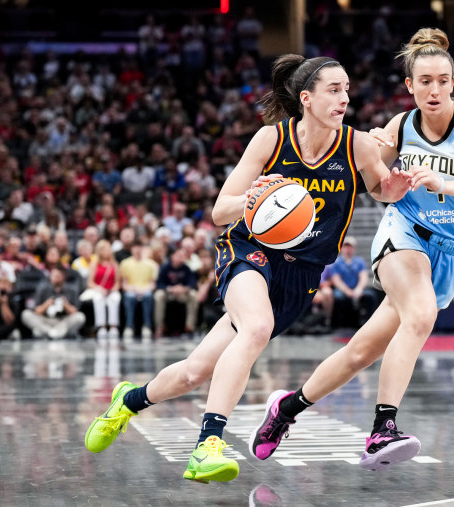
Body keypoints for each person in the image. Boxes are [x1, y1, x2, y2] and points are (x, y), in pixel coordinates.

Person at [84, 54, 412, 483]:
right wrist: (258, 198)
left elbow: (380, 188)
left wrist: (394, 188)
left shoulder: (358, 146)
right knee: (256, 327)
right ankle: (208, 445)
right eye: (334, 90)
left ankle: (128, 401)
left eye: (347, 89)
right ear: (306, 98)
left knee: (195, 371)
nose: (344, 98)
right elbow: (222, 210)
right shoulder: (269, 141)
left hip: (302, 275)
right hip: (250, 252)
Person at [248, 28, 454, 471]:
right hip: (406, 233)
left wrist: (444, 182)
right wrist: (375, 145)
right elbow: (374, 170)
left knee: (360, 352)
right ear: (409, 86)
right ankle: (382, 429)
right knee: (421, 314)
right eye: (424, 81)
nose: (434, 90)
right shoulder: (400, 126)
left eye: (443, 80)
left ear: (453, 82)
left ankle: (287, 410)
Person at [21, 266, 85, 340]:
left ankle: (46, 333)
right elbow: (36, 310)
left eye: (58, 276)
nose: (55, 278)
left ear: (63, 277)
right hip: (45, 320)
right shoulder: (43, 288)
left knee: (80, 317)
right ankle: (52, 333)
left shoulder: (71, 290)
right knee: (25, 314)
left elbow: (75, 311)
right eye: (53, 275)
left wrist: (66, 305)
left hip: (62, 321)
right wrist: (46, 304)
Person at [153, 248, 198, 339]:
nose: (181, 257)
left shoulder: (186, 268)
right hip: (168, 293)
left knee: (193, 295)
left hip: (182, 294)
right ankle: (159, 327)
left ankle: (189, 326)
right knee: (158, 295)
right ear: (172, 256)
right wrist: (170, 288)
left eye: (182, 256)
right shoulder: (165, 267)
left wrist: (184, 288)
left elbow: (192, 283)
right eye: (179, 255)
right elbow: (159, 283)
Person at [118, 240, 157, 342]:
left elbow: (153, 284)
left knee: (148, 296)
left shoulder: (150, 264)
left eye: (139, 247)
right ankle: (129, 326)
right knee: (129, 296)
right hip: (132, 289)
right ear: (132, 249)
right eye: (135, 247)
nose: (137, 250)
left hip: (145, 289)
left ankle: (147, 326)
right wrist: (132, 288)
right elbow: (124, 284)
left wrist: (145, 289)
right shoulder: (125, 263)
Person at [87, 240, 121, 344]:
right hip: (99, 290)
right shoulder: (94, 264)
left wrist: (112, 290)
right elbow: (90, 282)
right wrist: (100, 289)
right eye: (103, 249)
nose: (106, 251)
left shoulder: (114, 264)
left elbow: (117, 282)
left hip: (111, 290)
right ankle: (101, 326)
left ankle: (113, 326)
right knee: (98, 299)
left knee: (114, 299)